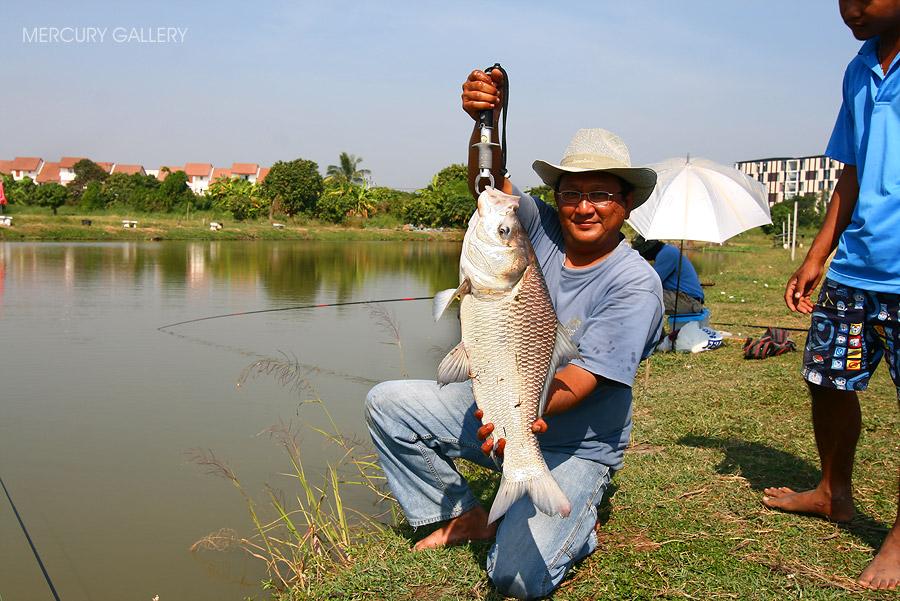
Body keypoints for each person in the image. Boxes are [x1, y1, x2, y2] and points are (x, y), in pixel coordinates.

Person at [365, 68, 664, 600]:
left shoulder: (635, 284)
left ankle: (578, 525)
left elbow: (583, 380)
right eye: (571, 193)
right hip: (502, 404)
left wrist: (514, 420)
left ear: (627, 204)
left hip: (573, 444)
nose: (584, 207)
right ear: (558, 196)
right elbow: (489, 187)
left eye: (601, 194)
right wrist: (487, 118)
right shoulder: (539, 229)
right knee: (387, 404)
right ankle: (466, 513)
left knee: (515, 578)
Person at [762, 0, 900, 591]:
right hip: (855, 267)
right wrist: (817, 255)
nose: (851, 8)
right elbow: (850, 169)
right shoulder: (859, 67)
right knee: (825, 378)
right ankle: (831, 492)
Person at [632, 236, 705, 315]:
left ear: (648, 251)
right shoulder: (667, 250)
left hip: (689, 302)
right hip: (687, 299)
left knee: (643, 298)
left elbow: (652, 283)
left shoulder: (666, 254)